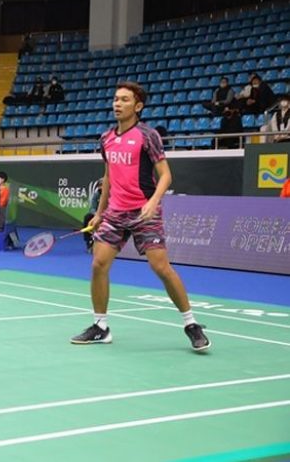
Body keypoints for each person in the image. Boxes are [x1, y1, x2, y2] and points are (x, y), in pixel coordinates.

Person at [70, 82, 210, 352]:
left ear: (138, 106)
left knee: (161, 267)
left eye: (124, 100)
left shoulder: (148, 136)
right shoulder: (106, 138)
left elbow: (166, 175)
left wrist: (153, 202)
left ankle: (191, 324)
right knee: (98, 264)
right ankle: (100, 326)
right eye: (116, 99)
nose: (117, 104)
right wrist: (99, 213)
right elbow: (108, 176)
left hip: (144, 211)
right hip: (115, 213)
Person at [83, 178, 103, 252]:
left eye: (102, 185)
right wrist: (96, 215)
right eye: (100, 186)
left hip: (108, 215)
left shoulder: (111, 194)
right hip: (97, 215)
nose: (101, 187)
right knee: (87, 217)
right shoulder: (97, 194)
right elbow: (92, 208)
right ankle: (88, 242)